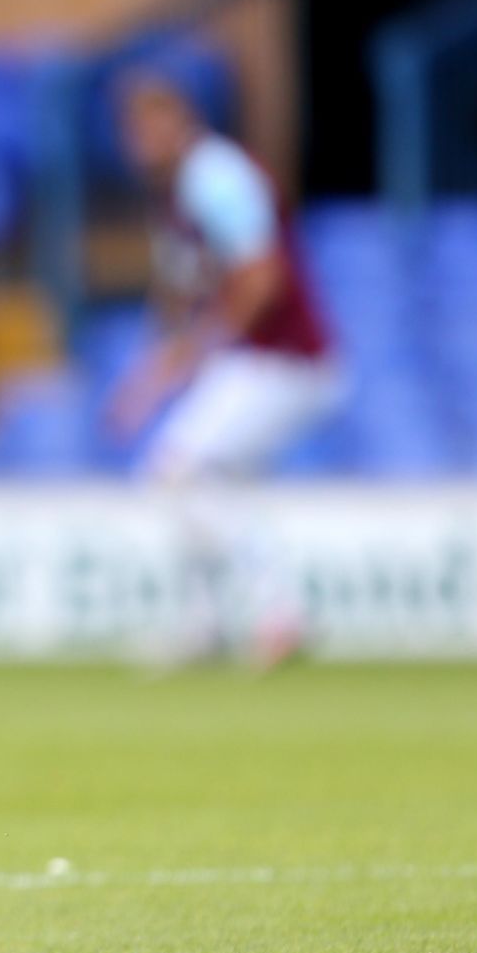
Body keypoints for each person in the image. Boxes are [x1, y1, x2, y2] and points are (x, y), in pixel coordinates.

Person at [107, 68, 342, 659]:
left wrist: (192, 358)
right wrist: (149, 381)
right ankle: (206, 626)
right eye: (134, 130)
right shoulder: (177, 191)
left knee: (179, 470)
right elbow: (180, 288)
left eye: (152, 125)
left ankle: (277, 613)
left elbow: (262, 279)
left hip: (286, 359)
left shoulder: (216, 176)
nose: (142, 141)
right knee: (193, 482)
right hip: (257, 361)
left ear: (182, 122)